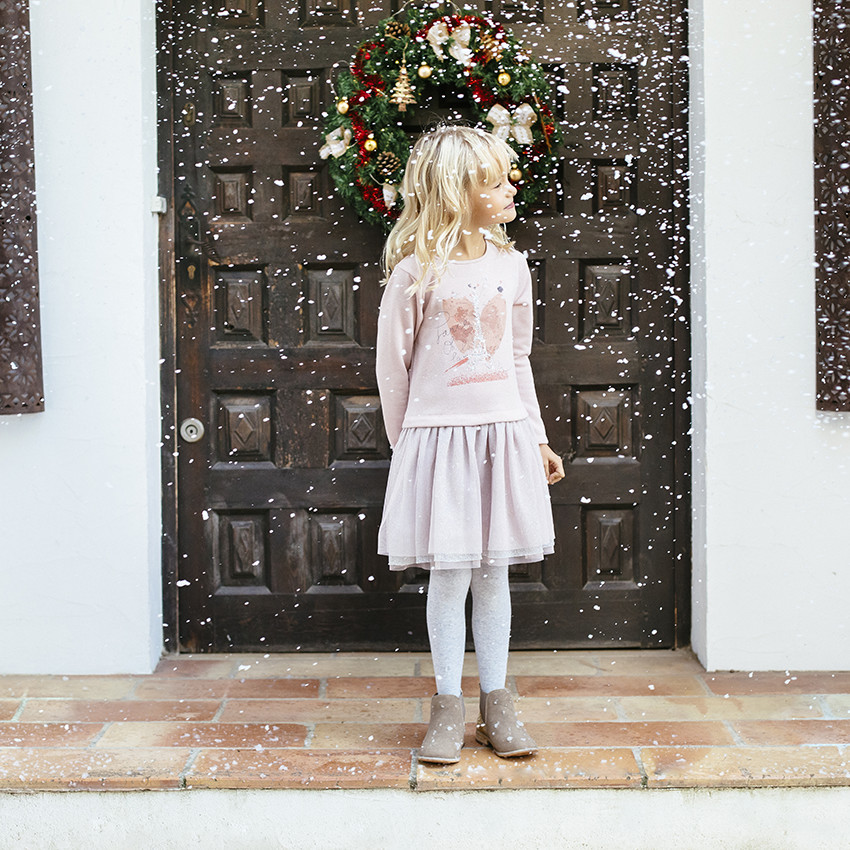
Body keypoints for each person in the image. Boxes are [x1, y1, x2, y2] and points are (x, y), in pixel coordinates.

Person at [375, 125, 564, 764]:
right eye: (495, 181)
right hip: (439, 446)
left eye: (508, 176)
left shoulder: (512, 267)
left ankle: (497, 701)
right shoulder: (414, 272)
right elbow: (391, 369)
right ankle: (447, 704)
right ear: (457, 192)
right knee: (449, 576)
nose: (511, 187)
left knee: (494, 576)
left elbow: (518, 357)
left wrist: (535, 436)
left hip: (501, 437)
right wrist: (407, 449)